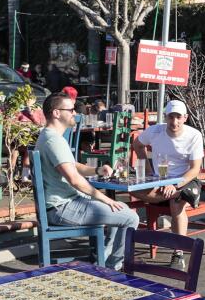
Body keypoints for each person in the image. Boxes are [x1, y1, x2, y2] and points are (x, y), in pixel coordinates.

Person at [36, 92, 139, 270]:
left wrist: (97, 170)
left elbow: (72, 165)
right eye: (70, 109)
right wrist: (105, 198)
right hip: (63, 207)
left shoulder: (48, 136)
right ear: (56, 113)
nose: (75, 113)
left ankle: (105, 261)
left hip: (61, 204)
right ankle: (114, 267)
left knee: (120, 212)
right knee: (130, 218)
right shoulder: (54, 141)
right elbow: (74, 179)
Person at [131, 100, 205, 271]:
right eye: (171, 117)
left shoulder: (194, 135)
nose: (174, 121)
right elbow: (137, 144)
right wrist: (148, 168)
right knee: (129, 190)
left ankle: (178, 253)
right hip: (159, 180)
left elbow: (194, 170)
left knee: (176, 202)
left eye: (178, 117)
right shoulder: (156, 131)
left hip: (186, 180)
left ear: (185, 117)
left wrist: (176, 185)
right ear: (165, 117)